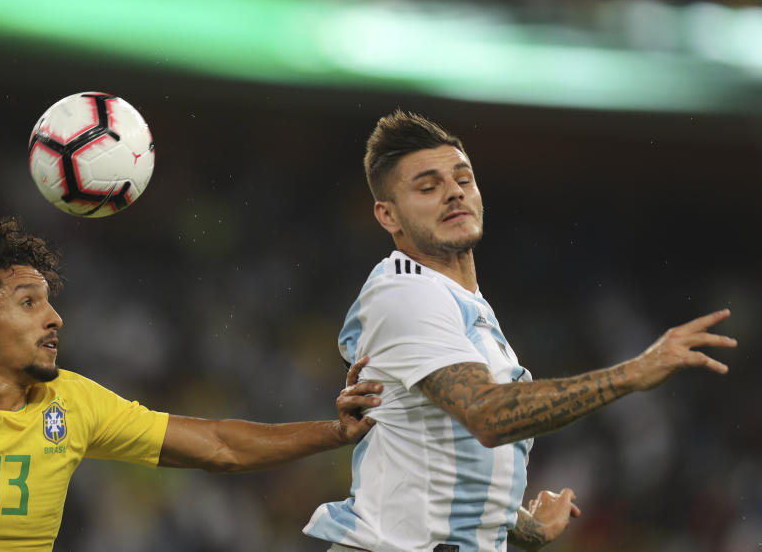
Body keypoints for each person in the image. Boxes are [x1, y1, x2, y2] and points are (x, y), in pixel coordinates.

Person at [0, 207, 383, 551]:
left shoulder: (71, 402)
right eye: (29, 302)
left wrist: (331, 433)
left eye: (50, 302)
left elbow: (218, 445)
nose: (55, 317)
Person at [302, 111, 737, 552]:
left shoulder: (462, 304)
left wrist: (528, 529)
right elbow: (487, 416)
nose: (453, 193)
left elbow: (438, 452)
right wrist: (633, 374)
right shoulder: (406, 295)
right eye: (428, 187)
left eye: (463, 179)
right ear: (388, 215)